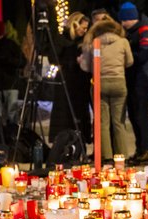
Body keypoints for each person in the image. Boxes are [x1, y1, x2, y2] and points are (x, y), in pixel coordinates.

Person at [79, 20, 133, 164]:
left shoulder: (94, 43)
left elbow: (87, 67)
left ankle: (107, 157)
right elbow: (130, 62)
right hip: (119, 83)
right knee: (119, 122)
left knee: (103, 122)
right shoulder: (123, 42)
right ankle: (123, 156)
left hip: (100, 83)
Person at [120, 2, 148, 166]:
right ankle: (140, 150)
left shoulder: (144, 30)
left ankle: (146, 150)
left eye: (123, 19)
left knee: (141, 116)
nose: (121, 23)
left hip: (142, 80)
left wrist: (127, 57)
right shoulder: (131, 32)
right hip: (132, 80)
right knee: (134, 116)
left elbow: (146, 53)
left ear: (129, 18)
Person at [49, 12, 92, 144]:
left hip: (81, 82)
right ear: (75, 24)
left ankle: (80, 139)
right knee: (64, 113)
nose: (84, 31)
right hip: (66, 81)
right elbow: (53, 57)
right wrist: (73, 60)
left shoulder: (84, 41)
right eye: (82, 28)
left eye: (86, 29)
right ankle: (63, 140)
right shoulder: (62, 39)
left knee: (80, 111)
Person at [0, 21, 26, 124]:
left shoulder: (10, 45)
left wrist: (8, 61)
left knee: (11, 114)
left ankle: (10, 135)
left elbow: (22, 61)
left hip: (9, 83)